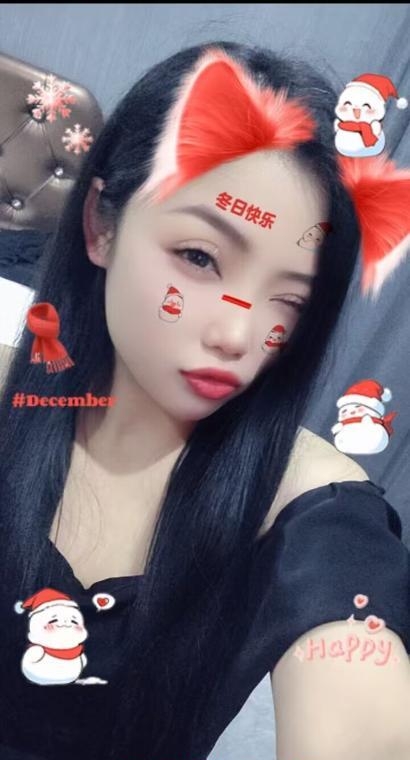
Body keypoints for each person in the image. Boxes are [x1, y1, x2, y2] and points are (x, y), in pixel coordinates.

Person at [0, 40, 409, 760]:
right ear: (101, 225)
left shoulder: (315, 510)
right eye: (199, 258)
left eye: (291, 300)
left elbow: (363, 697)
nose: (238, 335)